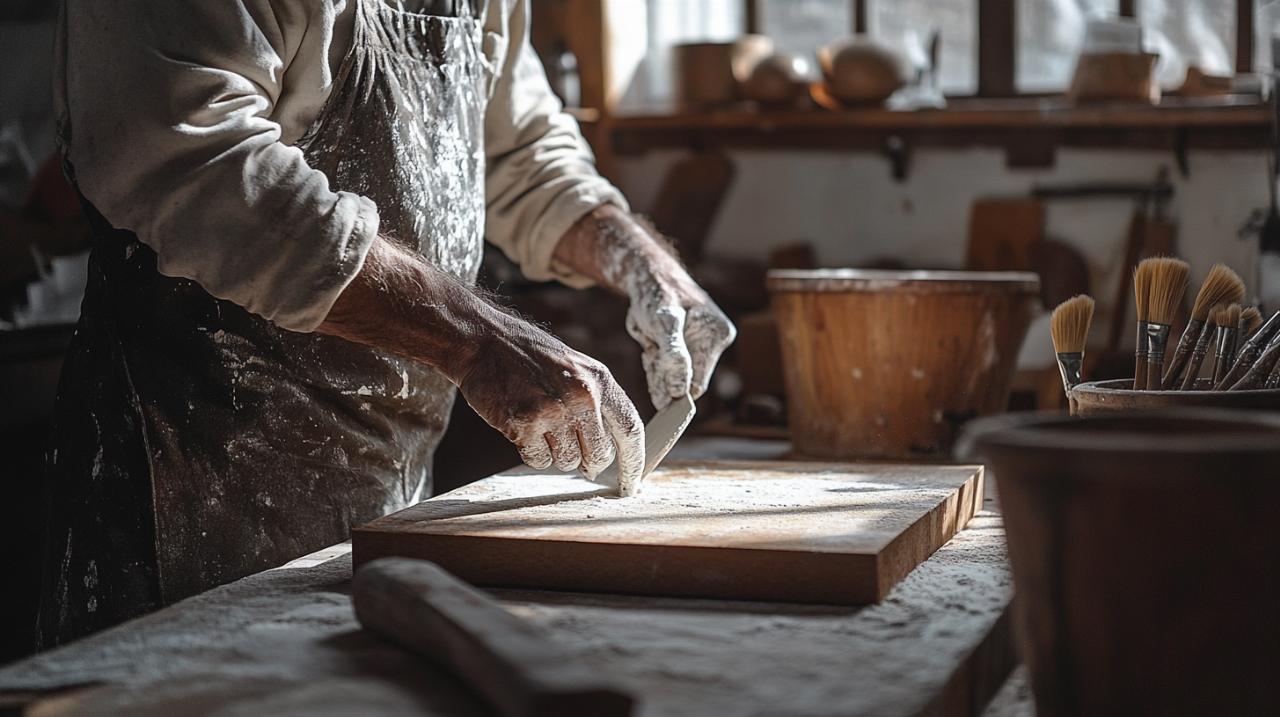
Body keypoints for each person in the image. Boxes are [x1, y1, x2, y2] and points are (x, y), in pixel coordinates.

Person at [39, 0, 735, 646]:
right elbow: (195, 166)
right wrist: (480, 337)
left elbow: (522, 153)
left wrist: (644, 262)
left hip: (389, 490)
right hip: (190, 485)